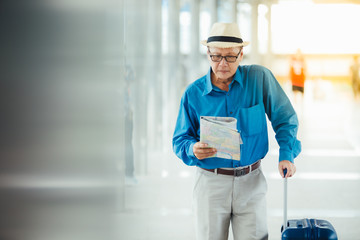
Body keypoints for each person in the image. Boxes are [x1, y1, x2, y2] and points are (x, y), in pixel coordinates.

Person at [172, 22, 301, 240]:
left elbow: (285, 117)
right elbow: (179, 139)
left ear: (241, 55)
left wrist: (287, 154)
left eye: (230, 56)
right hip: (210, 184)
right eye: (216, 56)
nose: (222, 63)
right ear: (208, 54)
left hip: (251, 181)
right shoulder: (193, 94)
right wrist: (193, 149)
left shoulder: (260, 79)